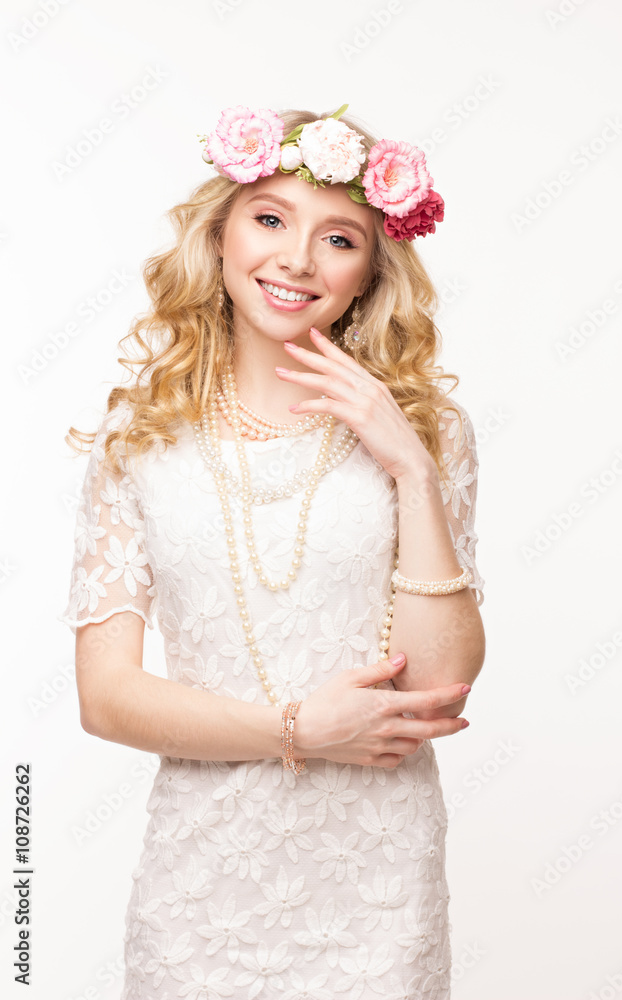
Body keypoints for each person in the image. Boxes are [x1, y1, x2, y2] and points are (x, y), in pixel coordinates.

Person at [60, 102, 486, 1000]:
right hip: (202, 885)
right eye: (268, 220)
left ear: (371, 272)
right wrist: (299, 732)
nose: (295, 259)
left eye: (338, 239)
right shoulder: (138, 440)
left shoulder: (429, 434)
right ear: (218, 239)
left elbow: (439, 683)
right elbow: (105, 697)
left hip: (375, 884)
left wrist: (407, 467)